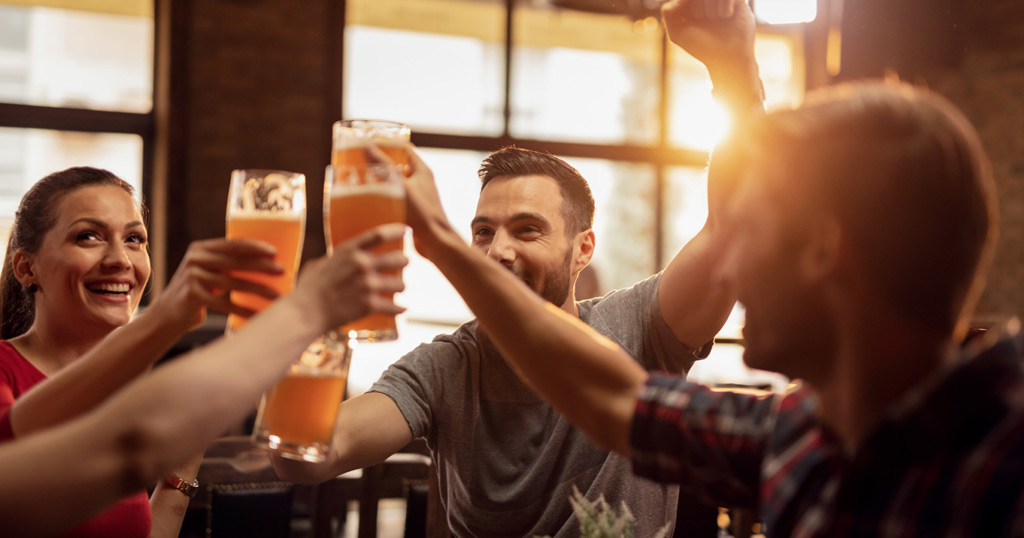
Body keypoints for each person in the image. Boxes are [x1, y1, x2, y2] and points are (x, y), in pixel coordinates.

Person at [401, 43, 1024, 538]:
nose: (726, 273)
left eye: (748, 236)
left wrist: (445, 244)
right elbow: (611, 399)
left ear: (821, 251)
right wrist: (732, 60)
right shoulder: (802, 433)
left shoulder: (1003, 463)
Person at [270, 2, 760, 535]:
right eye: (483, 231)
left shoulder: (639, 328)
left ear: (583, 249)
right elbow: (307, 455)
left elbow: (729, 233)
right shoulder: (448, 367)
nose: (498, 250)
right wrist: (306, 317)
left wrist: (733, 71)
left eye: (527, 229)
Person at [0, 166, 402, 537]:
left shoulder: (123, 385)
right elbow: (126, 446)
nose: (120, 259)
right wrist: (302, 313)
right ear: (25, 267)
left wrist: (183, 465)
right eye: (88, 236)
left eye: (134, 239)